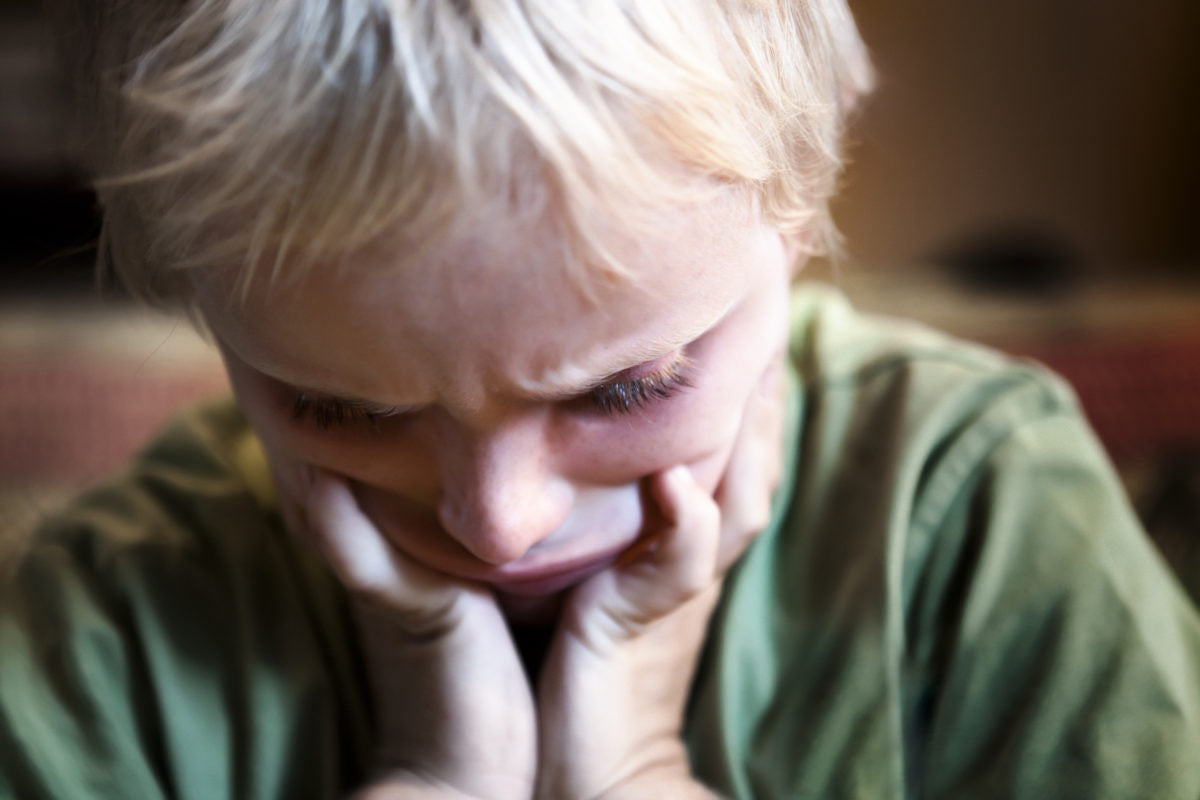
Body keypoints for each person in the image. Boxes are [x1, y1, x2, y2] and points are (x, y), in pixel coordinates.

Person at [5, 0, 1200, 797]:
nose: (498, 521)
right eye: (344, 407)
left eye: (626, 386)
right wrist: (438, 776)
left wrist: (632, 769)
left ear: (803, 188)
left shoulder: (982, 513)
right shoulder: (107, 626)